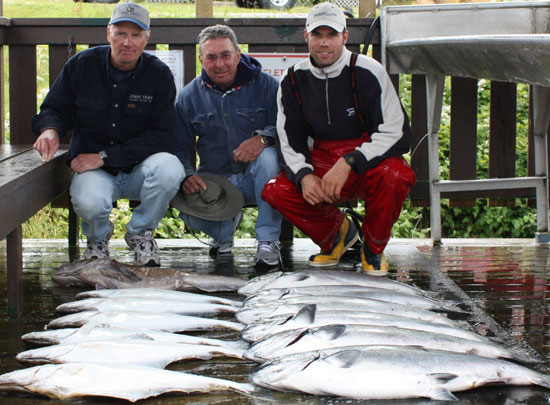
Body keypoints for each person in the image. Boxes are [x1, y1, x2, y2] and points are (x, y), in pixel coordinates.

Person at [262, 2, 416, 276]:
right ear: (305, 36)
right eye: (317, 35)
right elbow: (289, 138)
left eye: (331, 35)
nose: (324, 43)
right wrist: (305, 176)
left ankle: (374, 248)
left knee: (395, 175)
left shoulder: (369, 71)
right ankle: (338, 235)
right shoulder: (293, 78)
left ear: (345, 37)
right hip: (323, 160)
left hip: (366, 160)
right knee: (276, 189)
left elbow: (396, 132)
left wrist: (349, 161)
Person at [32, 2, 186, 267]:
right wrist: (50, 130)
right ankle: (97, 240)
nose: (128, 42)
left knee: (171, 168)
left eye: (136, 35)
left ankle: (140, 233)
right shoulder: (81, 65)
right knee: (88, 201)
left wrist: (104, 156)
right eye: (121, 33)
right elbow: (54, 108)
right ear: (108, 34)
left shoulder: (159, 74)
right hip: (94, 173)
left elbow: (163, 136)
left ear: (146, 38)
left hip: (138, 168)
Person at [174, 24, 283, 269]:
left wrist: (263, 139)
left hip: (256, 179)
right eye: (211, 57)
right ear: (201, 60)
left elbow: (289, 129)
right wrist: (188, 175)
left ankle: (267, 241)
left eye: (225, 55)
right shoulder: (188, 96)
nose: (219, 64)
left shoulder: (267, 86)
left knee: (269, 158)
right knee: (177, 196)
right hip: (215, 182)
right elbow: (177, 145)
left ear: (237, 54)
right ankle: (223, 233)